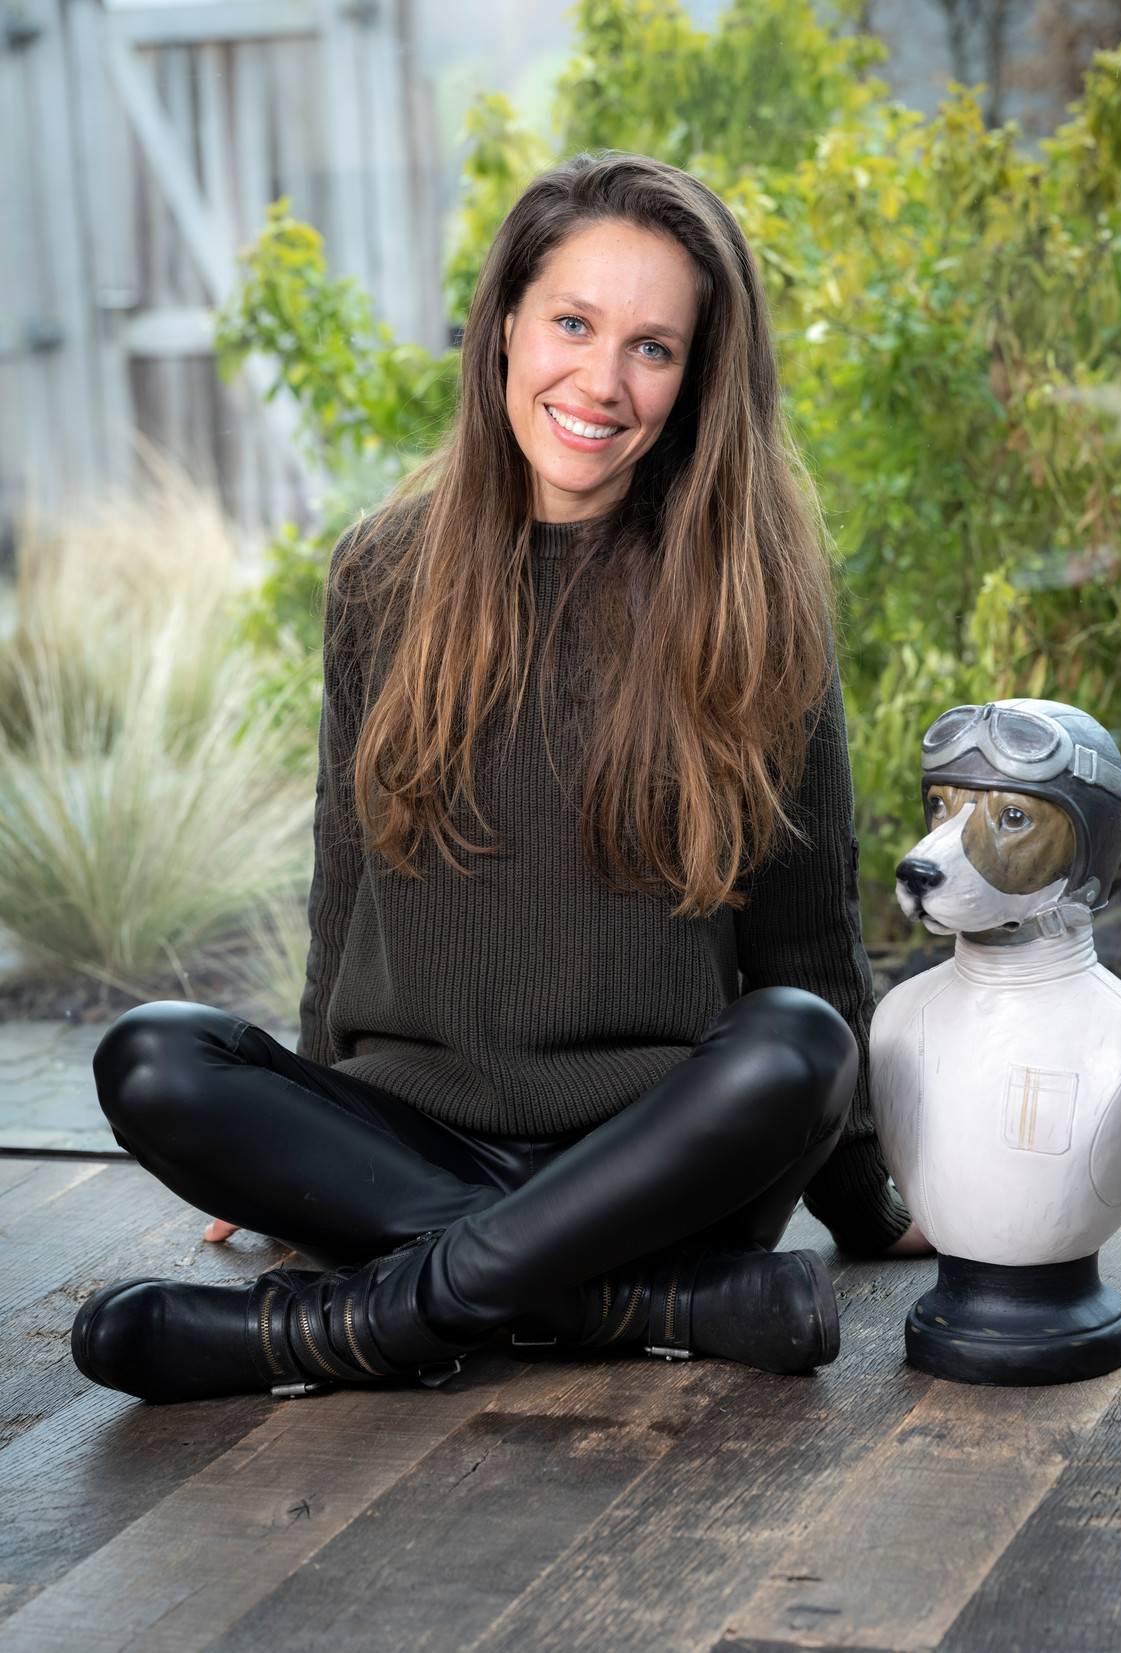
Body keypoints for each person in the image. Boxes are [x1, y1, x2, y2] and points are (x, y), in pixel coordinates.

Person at [72, 153, 927, 1407]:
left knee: (798, 1040)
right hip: (414, 1138)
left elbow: (808, 942)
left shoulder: (751, 604)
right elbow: (345, 882)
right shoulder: (381, 572)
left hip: (657, 1161)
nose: (602, 380)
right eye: (573, 324)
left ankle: (340, 1326)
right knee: (152, 1056)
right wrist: (299, 1131)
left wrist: (864, 1203)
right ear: (504, 327)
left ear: (697, 380)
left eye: (652, 348)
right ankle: (631, 1304)